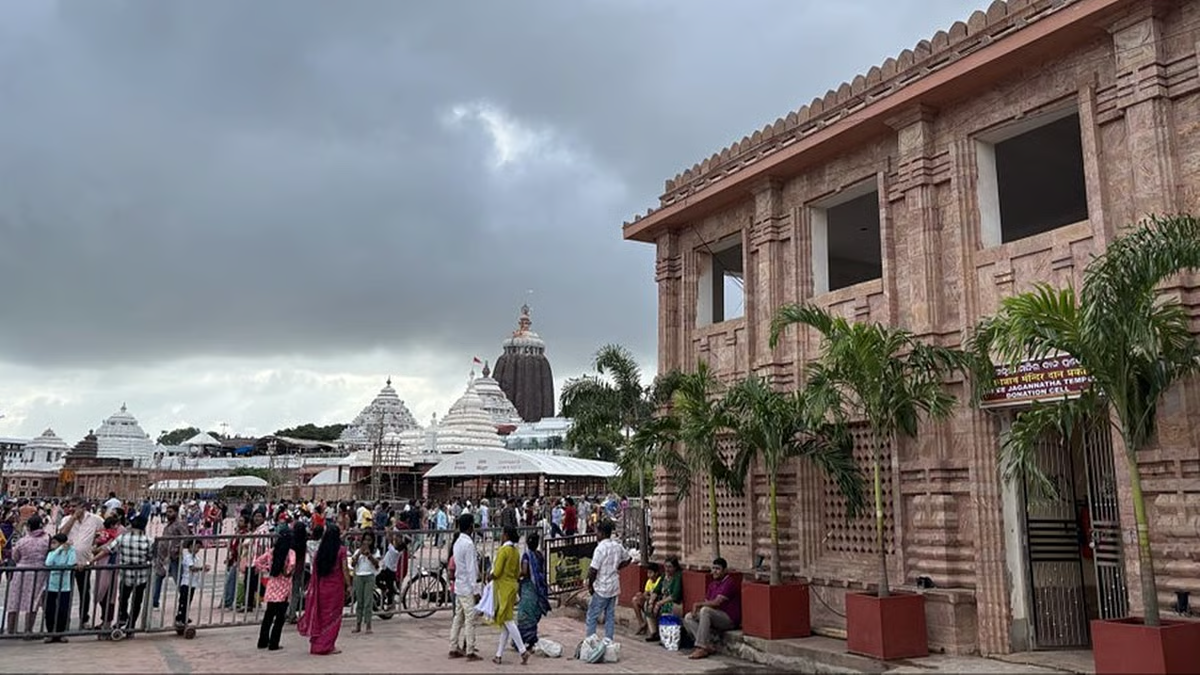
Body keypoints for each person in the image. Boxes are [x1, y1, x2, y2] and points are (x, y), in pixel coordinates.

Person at [298, 524, 349, 655]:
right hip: (335, 588)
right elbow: (345, 570)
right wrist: (349, 585)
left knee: (321, 616)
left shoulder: (321, 551)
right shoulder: (341, 550)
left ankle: (317, 644)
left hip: (321, 588)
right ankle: (327, 645)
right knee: (333, 617)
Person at [683, 557, 742, 660]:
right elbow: (707, 602)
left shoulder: (729, 583)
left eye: (717, 569)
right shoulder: (712, 584)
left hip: (728, 619)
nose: (714, 571)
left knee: (705, 610)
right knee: (688, 617)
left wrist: (698, 605)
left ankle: (701, 647)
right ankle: (707, 645)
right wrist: (697, 609)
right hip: (715, 616)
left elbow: (716, 603)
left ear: (724, 570)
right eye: (713, 568)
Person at [58, 497, 104, 629]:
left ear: (83, 507)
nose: (71, 508)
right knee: (66, 592)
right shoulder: (67, 519)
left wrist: (97, 544)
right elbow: (61, 535)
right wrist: (73, 518)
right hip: (67, 562)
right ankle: (64, 620)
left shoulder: (95, 519)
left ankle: (84, 619)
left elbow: (104, 532)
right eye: (70, 506)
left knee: (84, 591)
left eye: (75, 506)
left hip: (84, 562)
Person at [585, 519, 630, 643]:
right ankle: (608, 641)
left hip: (602, 586)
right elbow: (628, 559)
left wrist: (590, 586)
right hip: (614, 585)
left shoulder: (600, 549)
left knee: (592, 615)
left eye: (597, 532)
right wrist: (617, 567)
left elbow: (593, 570)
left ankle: (590, 642)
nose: (596, 535)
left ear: (602, 533)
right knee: (609, 615)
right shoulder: (617, 546)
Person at [489, 527, 529, 665]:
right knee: (506, 623)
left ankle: (523, 650)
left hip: (503, 588)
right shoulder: (515, 551)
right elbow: (518, 572)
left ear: (505, 535)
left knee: (508, 621)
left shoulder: (503, 551)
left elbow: (497, 571)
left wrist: (489, 576)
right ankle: (498, 655)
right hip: (513, 586)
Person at [5, 515, 49, 636]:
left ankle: (11, 630)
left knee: (14, 600)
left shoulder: (22, 541)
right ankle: (28, 630)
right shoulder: (46, 539)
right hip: (39, 572)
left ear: (28, 527)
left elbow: (15, 557)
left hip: (21, 570)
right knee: (33, 601)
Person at [447, 513, 481, 661]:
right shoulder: (468, 544)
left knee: (458, 618)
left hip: (459, 585)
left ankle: (453, 647)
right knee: (469, 619)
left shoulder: (457, 543)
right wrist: (476, 589)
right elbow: (471, 569)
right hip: (467, 586)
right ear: (470, 526)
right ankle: (470, 650)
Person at [255, 529, 295, 651]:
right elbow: (292, 566)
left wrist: (268, 569)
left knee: (268, 615)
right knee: (279, 617)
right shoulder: (290, 553)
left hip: (272, 584)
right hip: (284, 585)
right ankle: (274, 643)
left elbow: (257, 561)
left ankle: (262, 641)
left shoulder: (272, 552)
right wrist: (287, 572)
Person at [114, 515, 152, 633]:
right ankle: (131, 625)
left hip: (125, 575)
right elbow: (150, 557)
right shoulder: (148, 540)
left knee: (123, 598)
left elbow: (110, 549)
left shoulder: (122, 538)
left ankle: (122, 617)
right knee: (137, 602)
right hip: (141, 576)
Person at [515, 531, 551, 649]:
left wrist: (516, 576)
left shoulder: (526, 556)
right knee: (534, 613)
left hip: (529, 587)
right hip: (538, 588)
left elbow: (525, 572)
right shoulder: (539, 555)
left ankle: (520, 640)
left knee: (524, 614)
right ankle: (531, 639)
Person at [44, 533, 77, 643]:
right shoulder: (52, 553)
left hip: (64, 585)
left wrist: (68, 549)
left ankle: (61, 632)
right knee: (50, 610)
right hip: (51, 585)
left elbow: (71, 563)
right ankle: (50, 632)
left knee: (63, 609)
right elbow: (48, 563)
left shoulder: (71, 551)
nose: (52, 545)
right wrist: (58, 550)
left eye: (55, 543)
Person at [646, 556, 684, 643]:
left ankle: (666, 635)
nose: (667, 569)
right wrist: (651, 601)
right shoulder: (664, 576)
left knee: (666, 607)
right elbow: (656, 590)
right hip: (662, 599)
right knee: (648, 604)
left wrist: (660, 603)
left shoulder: (677, 577)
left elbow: (675, 595)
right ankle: (654, 632)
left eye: (670, 567)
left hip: (674, 602)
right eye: (666, 566)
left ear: (675, 567)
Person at [350, 531, 379, 634]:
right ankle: (358, 624)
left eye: (369, 540)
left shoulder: (375, 551)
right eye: (365, 540)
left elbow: (377, 564)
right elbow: (353, 564)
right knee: (360, 601)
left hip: (369, 576)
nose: (367, 542)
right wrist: (358, 554)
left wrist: (369, 555)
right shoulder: (358, 551)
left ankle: (368, 625)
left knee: (368, 601)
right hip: (359, 576)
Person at [175, 539, 208, 628]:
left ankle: (184, 617)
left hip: (193, 583)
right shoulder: (187, 557)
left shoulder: (196, 558)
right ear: (190, 547)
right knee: (183, 601)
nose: (197, 549)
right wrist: (201, 568)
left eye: (199, 547)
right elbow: (192, 568)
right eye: (196, 547)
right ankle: (179, 618)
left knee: (188, 601)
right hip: (186, 582)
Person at [632, 561, 662, 636]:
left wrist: (647, 597)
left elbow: (658, 594)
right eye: (648, 573)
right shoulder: (649, 581)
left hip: (657, 601)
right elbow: (646, 593)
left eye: (651, 573)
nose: (649, 575)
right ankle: (641, 623)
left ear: (656, 573)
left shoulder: (659, 580)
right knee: (635, 600)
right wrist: (642, 596)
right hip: (649, 600)